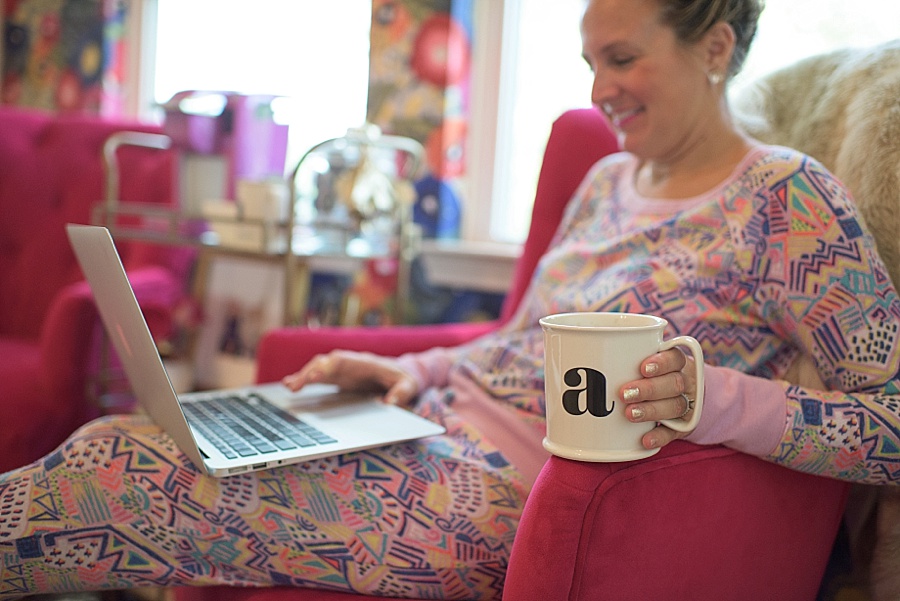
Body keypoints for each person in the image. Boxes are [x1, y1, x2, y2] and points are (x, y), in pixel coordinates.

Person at [2, 0, 899, 598]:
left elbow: (890, 427)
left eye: (623, 58)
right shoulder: (607, 182)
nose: (599, 91)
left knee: (119, 476)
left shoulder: (786, 200)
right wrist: (409, 364)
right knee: (119, 437)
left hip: (511, 493)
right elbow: (515, 340)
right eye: (590, 62)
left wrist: (714, 399)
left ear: (716, 47)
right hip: (424, 421)